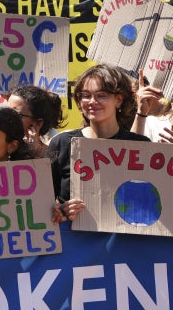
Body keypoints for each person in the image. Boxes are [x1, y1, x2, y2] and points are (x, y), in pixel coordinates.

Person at [47, 64, 148, 220]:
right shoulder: (62, 144)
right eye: (85, 95)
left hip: (126, 243)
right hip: (76, 241)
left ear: (119, 100)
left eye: (101, 95)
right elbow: (42, 203)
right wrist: (61, 210)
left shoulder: (140, 145)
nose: (92, 101)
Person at [5, 84, 65, 157]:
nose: (6, 118)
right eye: (5, 112)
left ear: (38, 123)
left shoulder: (54, 158)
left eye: (15, 114)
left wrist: (36, 152)